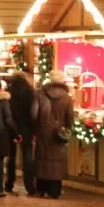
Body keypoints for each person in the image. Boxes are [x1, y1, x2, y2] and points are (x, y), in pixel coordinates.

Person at [35, 71, 74, 199]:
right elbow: (70, 118)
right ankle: (55, 190)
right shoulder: (66, 98)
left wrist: (37, 128)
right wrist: (67, 129)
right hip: (58, 133)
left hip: (43, 131)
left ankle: (41, 188)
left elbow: (34, 113)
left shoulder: (40, 94)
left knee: (43, 159)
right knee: (57, 162)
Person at [6, 72, 38, 196]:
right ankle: (29, 185)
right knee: (27, 157)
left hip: (11, 128)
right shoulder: (30, 92)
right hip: (26, 128)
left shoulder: (9, 91)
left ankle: (9, 183)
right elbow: (32, 113)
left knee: (11, 157)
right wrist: (33, 129)